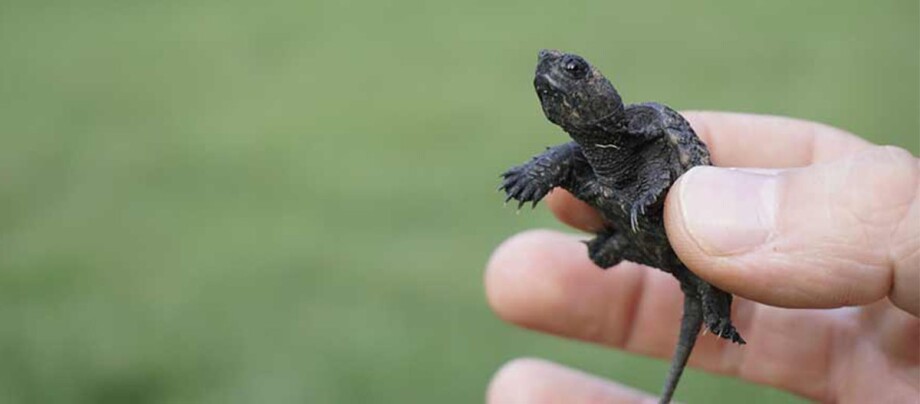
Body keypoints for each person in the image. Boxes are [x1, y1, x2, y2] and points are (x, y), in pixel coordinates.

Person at [484, 112, 919, 403]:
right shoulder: (579, 160)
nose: (553, 70)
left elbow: (662, 171)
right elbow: (561, 162)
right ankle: (620, 253)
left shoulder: (643, 134)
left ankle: (719, 317)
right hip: (638, 236)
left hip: (683, 240)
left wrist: (654, 194)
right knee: (605, 252)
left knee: (706, 280)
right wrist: (532, 175)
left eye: (575, 69)